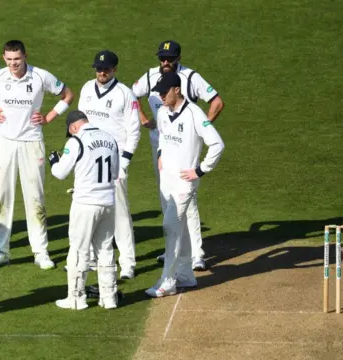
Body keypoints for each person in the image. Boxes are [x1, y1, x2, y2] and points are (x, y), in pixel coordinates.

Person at [0, 40, 74, 270]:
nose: (13, 64)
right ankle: (0, 251)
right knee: (3, 195)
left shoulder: (40, 76)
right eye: (9, 59)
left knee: (35, 196)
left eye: (17, 59)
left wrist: (49, 117)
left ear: (25, 56)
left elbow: (67, 95)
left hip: (32, 142)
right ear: (4, 58)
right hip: (4, 143)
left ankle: (41, 251)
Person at [132, 40, 225, 271]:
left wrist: (202, 129)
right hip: (162, 148)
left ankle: (196, 253)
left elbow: (217, 102)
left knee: (188, 201)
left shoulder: (191, 78)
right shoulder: (150, 76)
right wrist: (143, 119)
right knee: (167, 197)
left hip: (185, 149)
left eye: (169, 58)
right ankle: (173, 249)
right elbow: (130, 96)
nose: (165, 62)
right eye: (162, 58)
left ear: (178, 58)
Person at [144, 73, 224, 298]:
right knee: (179, 229)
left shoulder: (194, 114)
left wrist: (199, 170)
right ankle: (186, 275)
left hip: (183, 184)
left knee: (170, 226)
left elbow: (217, 144)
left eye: (164, 91)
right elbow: (161, 135)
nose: (160, 96)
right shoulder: (162, 111)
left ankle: (168, 281)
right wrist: (160, 153)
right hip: (166, 180)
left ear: (177, 90)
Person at [77, 50, 140, 280]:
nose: (101, 73)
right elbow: (80, 124)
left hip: (115, 163)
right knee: (92, 210)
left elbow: (134, 131)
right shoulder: (86, 89)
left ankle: (128, 263)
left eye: (106, 69)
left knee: (120, 214)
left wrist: (123, 162)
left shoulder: (125, 94)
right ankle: (93, 260)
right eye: (98, 69)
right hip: (90, 163)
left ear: (114, 69)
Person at [49, 110, 120, 310]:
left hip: (86, 203)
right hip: (108, 201)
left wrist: (54, 161)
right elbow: (115, 173)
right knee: (105, 249)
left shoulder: (76, 141)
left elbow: (60, 173)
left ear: (73, 127)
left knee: (78, 250)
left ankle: (76, 298)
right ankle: (109, 298)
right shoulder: (110, 138)